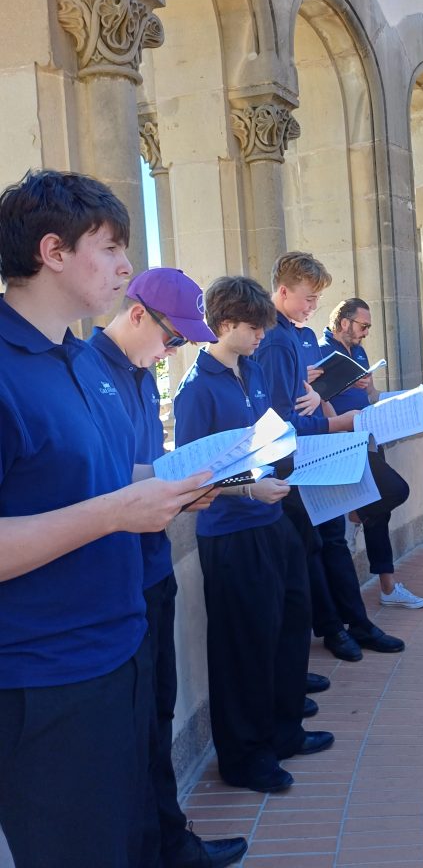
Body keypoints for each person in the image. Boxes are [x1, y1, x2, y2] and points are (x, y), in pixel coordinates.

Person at [0, 170, 213, 868]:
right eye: (112, 246)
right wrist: (118, 511)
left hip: (120, 649)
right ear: (53, 251)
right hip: (44, 678)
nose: (127, 267)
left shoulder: (81, 360)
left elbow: (105, 480)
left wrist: (177, 485)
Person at [89, 268, 247, 868]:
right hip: (115, 582)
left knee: (158, 714)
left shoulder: (136, 375)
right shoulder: (85, 372)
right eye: (173, 338)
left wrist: (183, 489)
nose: (174, 351)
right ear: (137, 314)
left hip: (153, 570)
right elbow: (98, 481)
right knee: (132, 732)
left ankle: (170, 843)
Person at [174, 276, 334, 796]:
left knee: (289, 627)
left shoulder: (254, 369)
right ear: (224, 325)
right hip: (232, 533)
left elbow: (272, 433)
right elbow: (192, 474)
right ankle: (244, 758)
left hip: (273, 521)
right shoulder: (196, 390)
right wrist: (247, 489)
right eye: (254, 328)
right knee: (242, 648)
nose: (263, 335)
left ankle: (284, 732)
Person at [253, 252, 405, 661]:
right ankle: (337, 628)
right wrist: (334, 423)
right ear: (282, 291)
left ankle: (352, 624)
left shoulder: (295, 334)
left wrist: (317, 391)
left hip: (315, 447)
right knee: (321, 543)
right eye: (308, 297)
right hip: (297, 458)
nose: (314, 306)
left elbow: (301, 395)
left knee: (332, 539)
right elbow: (278, 419)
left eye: (317, 298)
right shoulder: (274, 338)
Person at [318, 297, 423, 609]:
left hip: (369, 436)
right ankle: (355, 514)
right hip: (343, 441)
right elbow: (317, 400)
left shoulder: (360, 352)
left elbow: (372, 395)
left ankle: (388, 588)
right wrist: (339, 425)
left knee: (380, 511)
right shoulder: (322, 352)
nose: (367, 332)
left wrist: (409, 397)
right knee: (395, 490)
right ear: (344, 323)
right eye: (363, 326)